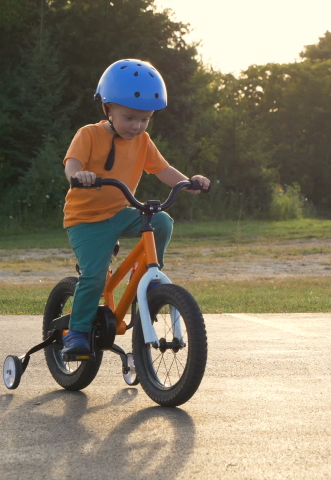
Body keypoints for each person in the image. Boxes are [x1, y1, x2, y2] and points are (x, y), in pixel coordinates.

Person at [61, 59, 210, 355]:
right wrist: (79, 176)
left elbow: (162, 169)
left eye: (145, 119)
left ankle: (147, 281)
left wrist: (188, 183)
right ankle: (76, 332)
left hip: (119, 212)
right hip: (85, 220)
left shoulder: (142, 140)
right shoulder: (88, 134)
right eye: (129, 117)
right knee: (93, 275)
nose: (137, 126)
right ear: (108, 108)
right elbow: (72, 164)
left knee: (163, 221)